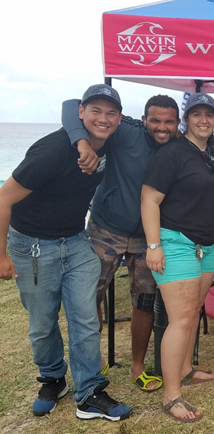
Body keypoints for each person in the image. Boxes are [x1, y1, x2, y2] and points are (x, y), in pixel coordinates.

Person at [0, 84, 132, 421]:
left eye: (111, 112)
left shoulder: (110, 138)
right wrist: (1, 255)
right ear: (81, 113)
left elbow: (74, 106)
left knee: (85, 318)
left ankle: (89, 392)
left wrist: (85, 142)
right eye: (95, 111)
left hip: (75, 241)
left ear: (119, 118)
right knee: (42, 324)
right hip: (31, 245)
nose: (104, 119)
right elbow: (3, 198)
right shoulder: (52, 151)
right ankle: (53, 378)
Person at [61, 94, 183, 392]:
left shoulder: (181, 147)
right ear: (143, 120)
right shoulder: (127, 131)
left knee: (144, 302)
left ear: (178, 124)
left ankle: (137, 365)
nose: (162, 127)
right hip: (106, 229)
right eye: (155, 120)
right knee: (88, 297)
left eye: (169, 122)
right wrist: (82, 144)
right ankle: (94, 359)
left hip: (148, 238)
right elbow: (70, 106)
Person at [141, 92, 214, 422]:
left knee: (192, 312)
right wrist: (153, 246)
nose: (203, 120)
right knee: (180, 318)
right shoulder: (172, 154)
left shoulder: (212, 156)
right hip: (175, 242)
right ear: (186, 120)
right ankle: (171, 395)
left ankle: (186, 370)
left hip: (206, 246)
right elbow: (149, 200)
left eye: (209, 115)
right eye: (196, 114)